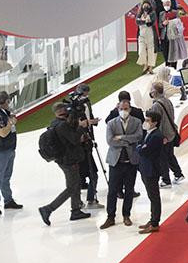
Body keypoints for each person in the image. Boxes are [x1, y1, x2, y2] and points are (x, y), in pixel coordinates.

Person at [38, 102, 92, 225]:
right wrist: (80, 126)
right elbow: (74, 139)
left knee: (76, 184)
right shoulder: (61, 126)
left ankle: (76, 210)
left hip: (66, 159)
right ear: (60, 111)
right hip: (68, 160)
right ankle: (48, 209)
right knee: (71, 188)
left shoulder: (55, 123)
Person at [100, 95, 144, 229]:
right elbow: (110, 141)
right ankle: (110, 217)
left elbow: (138, 136)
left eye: (126, 108)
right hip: (116, 162)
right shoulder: (111, 123)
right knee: (112, 191)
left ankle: (126, 215)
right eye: (121, 108)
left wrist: (122, 138)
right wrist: (128, 141)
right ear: (118, 108)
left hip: (131, 161)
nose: (123, 110)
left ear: (129, 109)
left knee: (129, 190)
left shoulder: (136, 122)